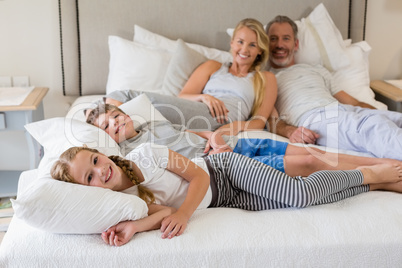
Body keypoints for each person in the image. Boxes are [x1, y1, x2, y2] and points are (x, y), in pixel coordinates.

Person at [51, 143, 402, 246]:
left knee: (298, 196)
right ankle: (377, 184)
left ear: (101, 152)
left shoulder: (145, 154)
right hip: (227, 200)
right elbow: (159, 214)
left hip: (224, 170)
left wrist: (185, 214)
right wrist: (133, 228)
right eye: (91, 177)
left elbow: (199, 178)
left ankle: (366, 172)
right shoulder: (123, 202)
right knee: (291, 201)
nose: (101, 170)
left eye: (95, 160)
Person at [86, 102, 402, 177]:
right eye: (107, 126)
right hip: (218, 162)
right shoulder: (128, 152)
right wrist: (212, 153)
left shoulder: (150, 125)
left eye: (115, 116)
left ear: (125, 114)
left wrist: (213, 135)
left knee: (313, 150)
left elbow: (187, 134)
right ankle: (385, 170)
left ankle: (386, 162)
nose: (115, 124)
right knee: (311, 162)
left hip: (230, 145)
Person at [106, 18, 277, 136]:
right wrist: (205, 97)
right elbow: (183, 96)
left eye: (252, 45)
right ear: (232, 43)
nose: (244, 50)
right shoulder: (213, 66)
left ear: (260, 50)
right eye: (240, 42)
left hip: (221, 120)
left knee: (122, 96)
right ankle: (110, 133)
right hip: (197, 110)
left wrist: (233, 128)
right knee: (131, 107)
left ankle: (104, 129)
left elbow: (259, 121)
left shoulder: (265, 78)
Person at [265, 15, 402, 160]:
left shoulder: (316, 69)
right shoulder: (265, 78)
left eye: (286, 38)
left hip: (343, 110)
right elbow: (270, 119)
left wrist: (380, 114)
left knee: (395, 120)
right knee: (373, 128)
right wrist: (291, 131)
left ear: (296, 44)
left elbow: (354, 103)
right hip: (313, 118)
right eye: (273, 39)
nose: (279, 44)